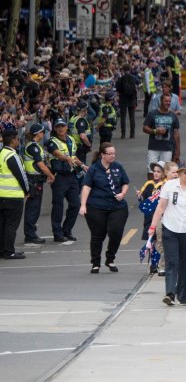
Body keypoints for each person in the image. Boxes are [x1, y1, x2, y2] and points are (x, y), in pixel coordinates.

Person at [148, 160, 186, 306]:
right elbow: (161, 207)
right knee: (172, 262)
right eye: (185, 172)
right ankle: (170, 293)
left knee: (185, 263)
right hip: (170, 228)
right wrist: (153, 226)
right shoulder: (169, 185)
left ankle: (183, 295)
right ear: (179, 173)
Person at [79, 143, 130, 274]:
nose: (113, 156)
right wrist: (83, 205)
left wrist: (123, 193)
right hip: (97, 205)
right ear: (102, 155)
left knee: (116, 231)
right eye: (110, 154)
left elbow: (125, 183)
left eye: (114, 153)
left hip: (117, 205)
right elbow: (86, 187)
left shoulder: (118, 167)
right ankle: (95, 262)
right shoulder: (94, 169)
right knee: (98, 234)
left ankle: (110, 258)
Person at [48, 117, 88, 243]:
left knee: (76, 204)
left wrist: (82, 165)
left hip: (71, 176)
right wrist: (67, 159)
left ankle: (67, 230)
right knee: (58, 206)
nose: (60, 129)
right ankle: (57, 233)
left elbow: (73, 156)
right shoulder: (52, 141)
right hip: (59, 176)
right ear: (55, 128)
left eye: (62, 126)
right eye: (58, 126)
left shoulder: (71, 139)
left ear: (66, 127)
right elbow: (56, 153)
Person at [22, 123, 55, 244]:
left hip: (37, 180)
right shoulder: (33, 147)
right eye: (43, 132)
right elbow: (40, 164)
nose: (44, 134)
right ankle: (30, 235)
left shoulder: (36, 146)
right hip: (33, 180)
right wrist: (51, 175)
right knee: (32, 208)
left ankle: (31, 233)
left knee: (35, 208)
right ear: (38, 133)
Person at [0, 129, 29, 259]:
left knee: (2, 225)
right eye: (17, 139)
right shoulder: (12, 155)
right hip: (13, 196)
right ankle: (9, 251)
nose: (18, 141)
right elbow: (21, 176)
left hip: (1, 196)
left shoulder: (1, 154)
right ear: (12, 140)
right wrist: (27, 191)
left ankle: (2, 250)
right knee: (11, 225)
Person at [143, 93, 181, 166]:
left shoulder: (173, 115)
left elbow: (176, 134)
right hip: (153, 147)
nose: (168, 103)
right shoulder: (152, 114)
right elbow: (145, 128)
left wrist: (178, 150)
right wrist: (155, 131)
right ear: (161, 101)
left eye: (169, 101)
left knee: (165, 170)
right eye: (166, 101)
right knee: (151, 169)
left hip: (168, 148)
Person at [114, 64, 137, 139]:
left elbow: (117, 88)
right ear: (130, 69)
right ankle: (132, 134)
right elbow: (136, 87)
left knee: (123, 117)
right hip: (131, 98)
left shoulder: (121, 79)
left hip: (123, 99)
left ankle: (123, 134)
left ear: (123, 70)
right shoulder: (133, 78)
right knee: (132, 117)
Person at [142, 58, 159, 122]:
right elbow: (147, 81)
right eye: (151, 63)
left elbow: (151, 80)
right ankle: (145, 113)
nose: (152, 64)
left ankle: (147, 113)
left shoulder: (149, 70)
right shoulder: (147, 71)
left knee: (149, 101)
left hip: (151, 89)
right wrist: (149, 90)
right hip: (148, 90)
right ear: (148, 64)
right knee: (147, 102)